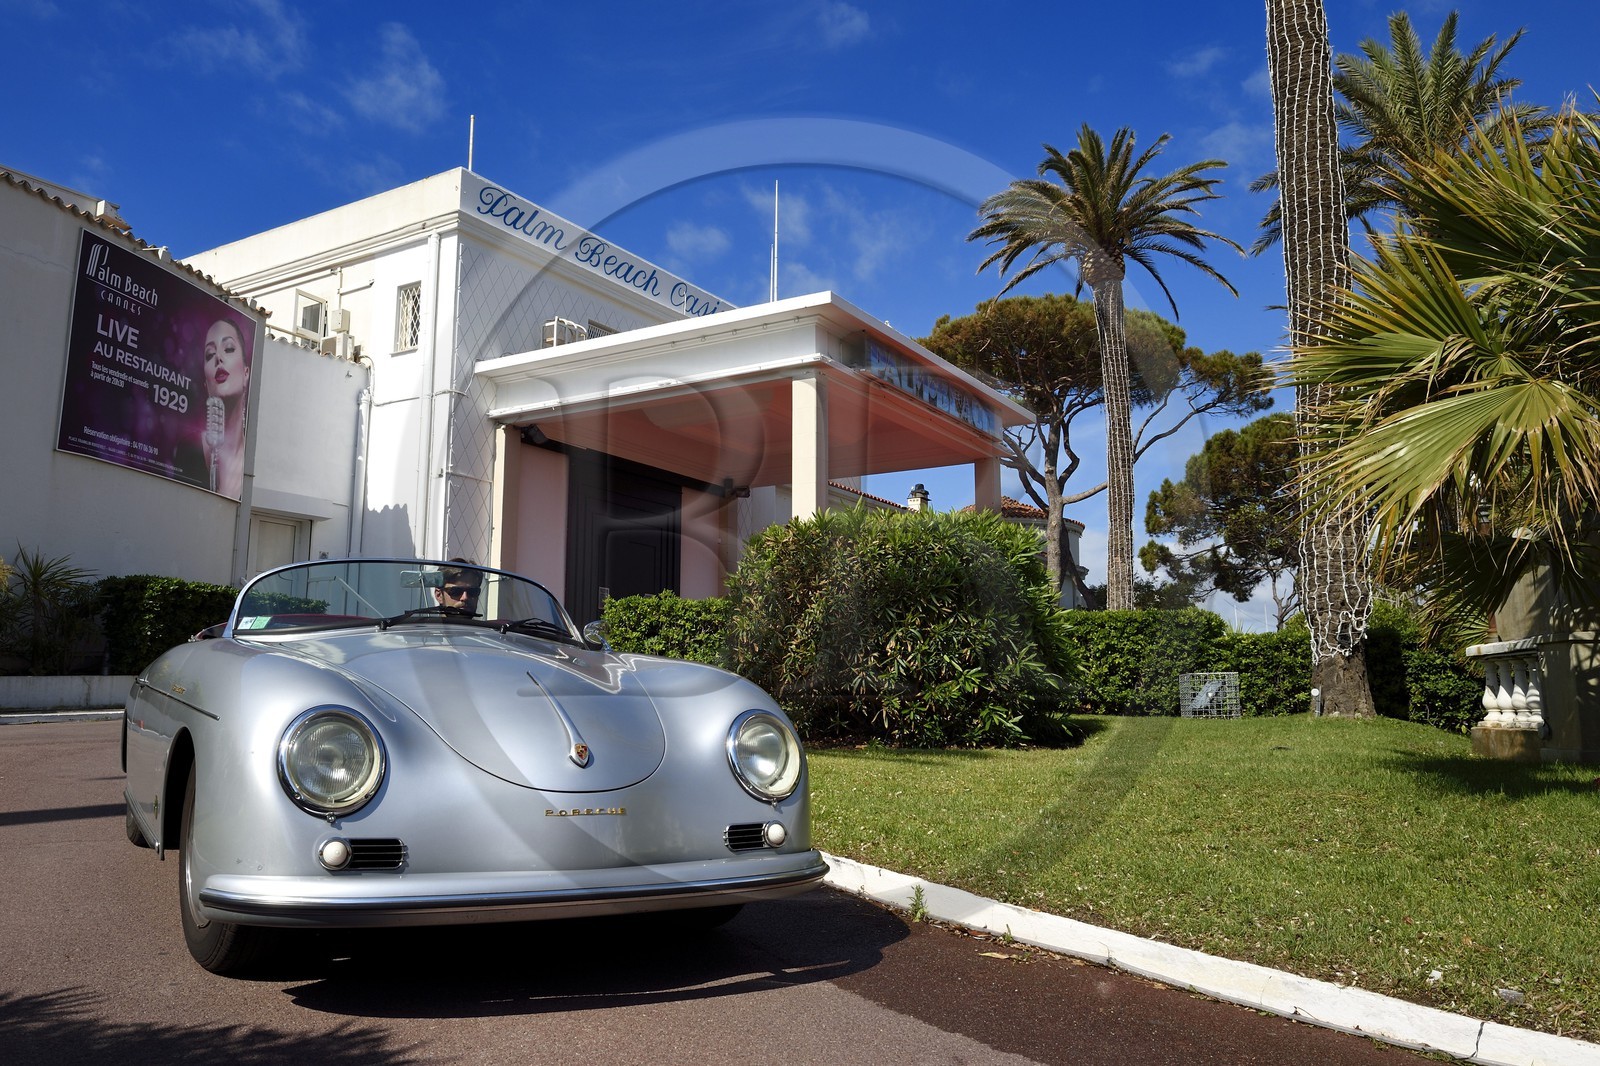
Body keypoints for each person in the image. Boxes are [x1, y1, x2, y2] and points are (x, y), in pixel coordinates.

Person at [201, 317, 251, 498]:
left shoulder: (253, 460)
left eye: (229, 348)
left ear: (246, 373)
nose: (218, 358)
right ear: (206, 384)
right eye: (209, 355)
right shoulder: (187, 451)